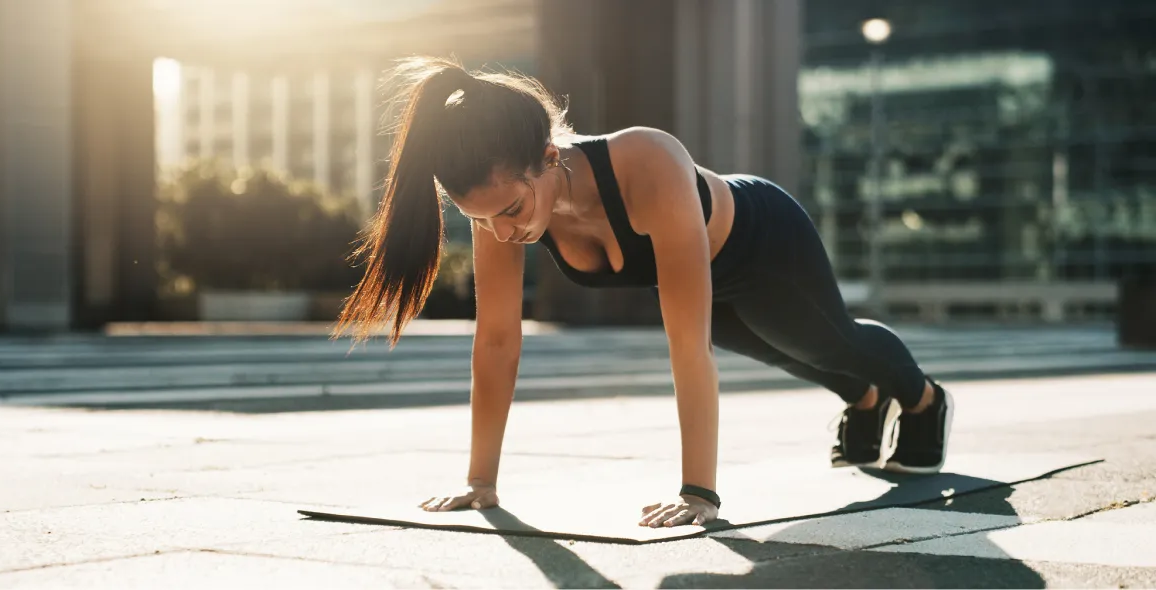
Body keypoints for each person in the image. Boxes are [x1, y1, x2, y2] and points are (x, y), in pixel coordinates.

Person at [332, 56, 955, 529]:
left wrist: (699, 493)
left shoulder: (647, 161)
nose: (502, 232)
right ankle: (866, 399)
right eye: (484, 220)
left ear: (548, 157)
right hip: (710, 271)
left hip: (764, 244)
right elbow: (496, 341)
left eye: (512, 211)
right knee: (786, 353)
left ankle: (924, 402)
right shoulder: (503, 204)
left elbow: (686, 345)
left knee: (825, 339)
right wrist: (480, 481)